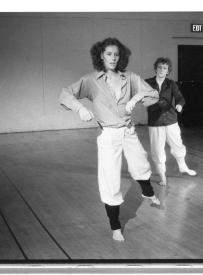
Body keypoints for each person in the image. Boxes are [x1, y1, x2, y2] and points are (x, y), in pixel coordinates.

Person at [59, 38, 160, 242]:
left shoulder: (129, 77)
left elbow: (153, 95)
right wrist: (80, 109)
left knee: (140, 163)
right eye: (109, 54)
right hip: (108, 135)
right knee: (110, 179)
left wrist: (135, 98)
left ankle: (148, 192)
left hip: (129, 130)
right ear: (100, 56)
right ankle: (115, 226)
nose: (113, 58)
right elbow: (65, 94)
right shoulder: (91, 81)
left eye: (116, 54)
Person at [145, 57, 196, 186]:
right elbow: (141, 97)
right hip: (155, 122)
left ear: (168, 71)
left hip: (171, 119)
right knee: (157, 150)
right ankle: (163, 177)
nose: (162, 70)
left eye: (165, 68)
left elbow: (180, 98)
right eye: (160, 67)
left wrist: (179, 105)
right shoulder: (147, 83)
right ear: (155, 69)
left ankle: (182, 166)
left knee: (177, 144)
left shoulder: (171, 83)